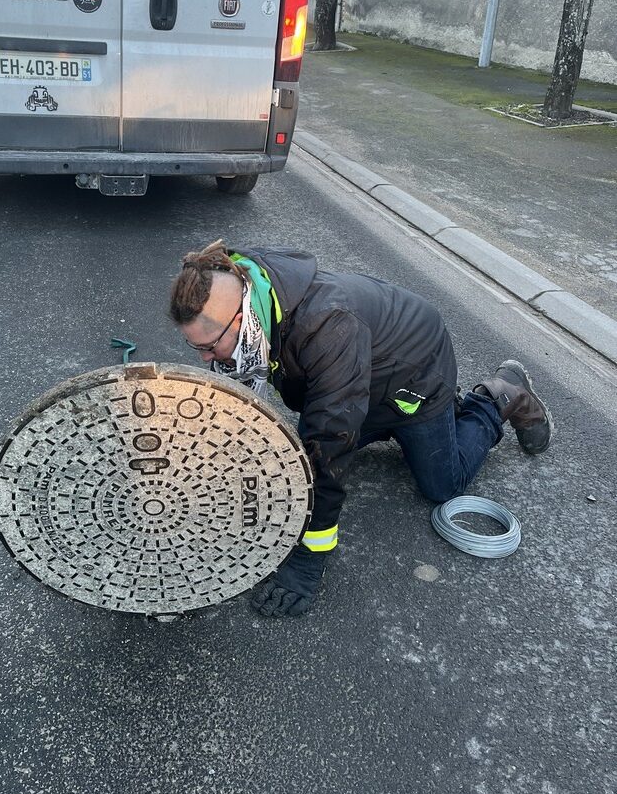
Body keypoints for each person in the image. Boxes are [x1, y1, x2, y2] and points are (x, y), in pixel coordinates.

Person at [169, 240, 553, 618]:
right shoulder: (253, 292)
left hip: (415, 376)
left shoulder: (327, 331)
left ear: (240, 320)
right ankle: (406, 421)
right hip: (361, 378)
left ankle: (498, 397)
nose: (205, 358)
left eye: (209, 346)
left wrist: (308, 558)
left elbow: (329, 444)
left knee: (441, 486)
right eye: (196, 347)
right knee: (294, 463)